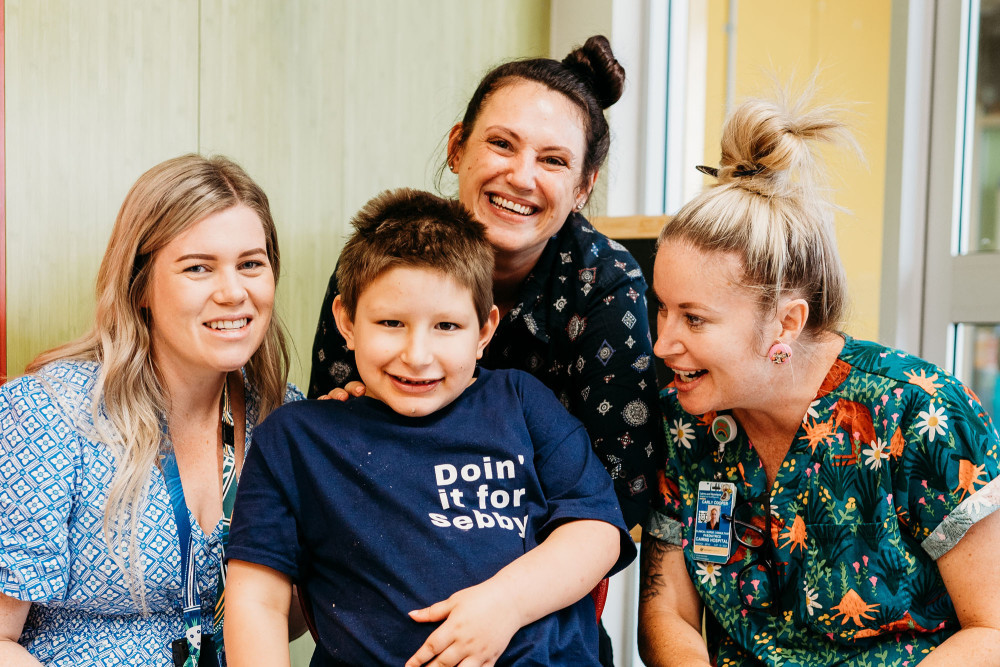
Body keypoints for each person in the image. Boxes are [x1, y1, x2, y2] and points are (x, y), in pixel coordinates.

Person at [637, 89, 1000, 666]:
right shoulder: (684, 426)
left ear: (786, 321)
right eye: (661, 308)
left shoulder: (922, 414)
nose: (663, 343)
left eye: (694, 318)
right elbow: (666, 614)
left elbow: (992, 631)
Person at [225, 189, 636, 667]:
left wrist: (504, 604)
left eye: (447, 327)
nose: (417, 356)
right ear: (347, 321)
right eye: (391, 323)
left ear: (484, 331)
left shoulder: (522, 403)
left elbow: (598, 532)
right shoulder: (295, 439)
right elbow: (258, 602)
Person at [308, 35, 661, 534]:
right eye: (502, 144)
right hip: (386, 540)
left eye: (553, 160)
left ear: (583, 188)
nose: (520, 177)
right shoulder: (384, 256)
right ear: (457, 148)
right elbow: (331, 444)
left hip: (546, 568)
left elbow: (619, 497)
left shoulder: (605, 286)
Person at [0, 155, 303, 666]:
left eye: (251, 263)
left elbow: (289, 616)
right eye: (198, 268)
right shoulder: (49, 413)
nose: (234, 292)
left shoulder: (284, 417)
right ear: (140, 285)